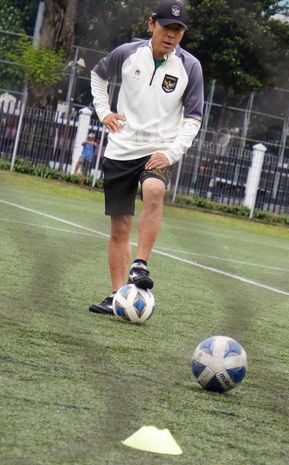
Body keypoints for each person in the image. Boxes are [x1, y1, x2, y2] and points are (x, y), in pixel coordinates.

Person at [88, 0, 204, 314]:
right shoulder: (126, 53)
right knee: (119, 229)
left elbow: (193, 118)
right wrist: (104, 112)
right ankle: (118, 297)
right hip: (120, 150)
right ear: (151, 23)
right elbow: (97, 77)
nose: (172, 35)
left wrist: (171, 152)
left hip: (158, 152)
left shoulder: (190, 66)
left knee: (154, 190)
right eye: (167, 27)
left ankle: (141, 264)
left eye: (178, 30)